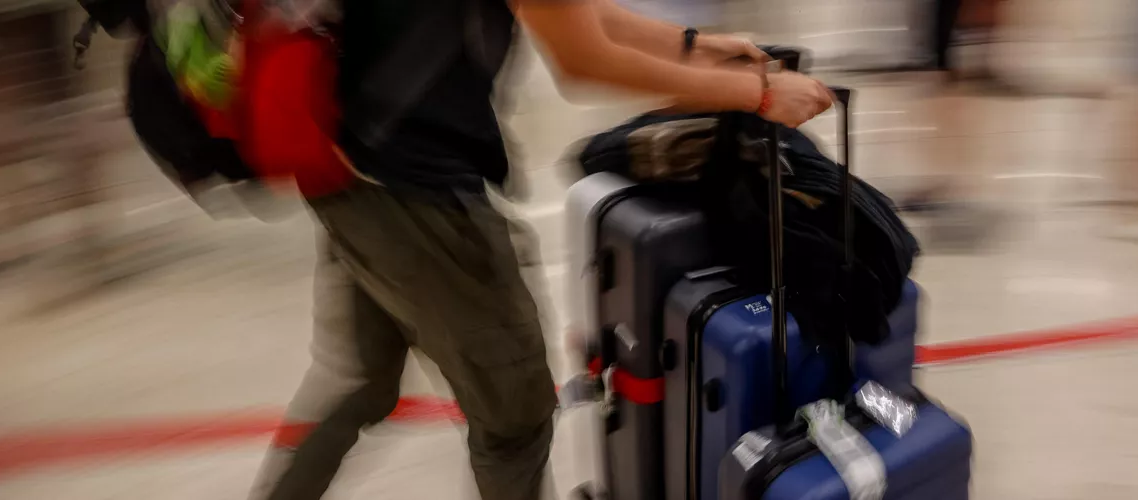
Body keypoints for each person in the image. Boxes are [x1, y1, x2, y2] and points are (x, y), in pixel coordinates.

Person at [248, 0, 834, 499]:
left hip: (350, 173)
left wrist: (694, 45)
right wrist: (755, 94)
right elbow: (583, 59)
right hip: (419, 196)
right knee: (515, 423)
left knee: (363, 384)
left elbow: (572, 15)